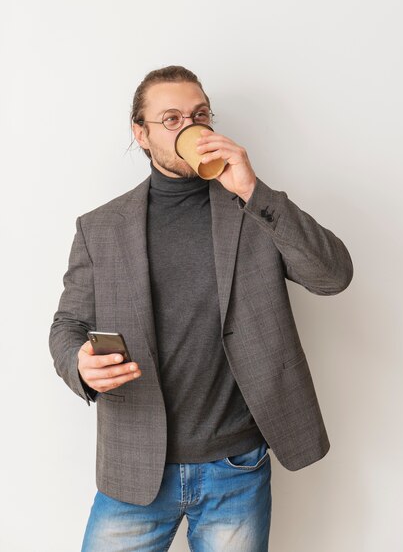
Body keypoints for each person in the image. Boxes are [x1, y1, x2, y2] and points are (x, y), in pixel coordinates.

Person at [49, 65, 353, 552]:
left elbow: (333, 276)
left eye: (200, 115)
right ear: (140, 134)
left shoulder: (253, 210)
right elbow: (68, 324)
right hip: (135, 466)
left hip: (236, 466)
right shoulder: (100, 227)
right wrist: (78, 365)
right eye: (170, 118)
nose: (190, 127)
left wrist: (254, 191)